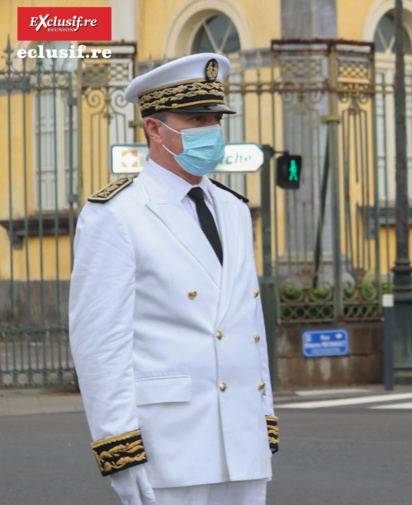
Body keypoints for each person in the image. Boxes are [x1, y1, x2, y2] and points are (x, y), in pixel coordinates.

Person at [69, 54, 277, 505]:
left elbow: (249, 323)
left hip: (242, 441)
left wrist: (264, 418)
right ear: (155, 129)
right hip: (169, 445)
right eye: (196, 118)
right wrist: (118, 448)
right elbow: (100, 343)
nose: (211, 131)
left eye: (215, 119)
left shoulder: (235, 209)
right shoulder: (116, 215)